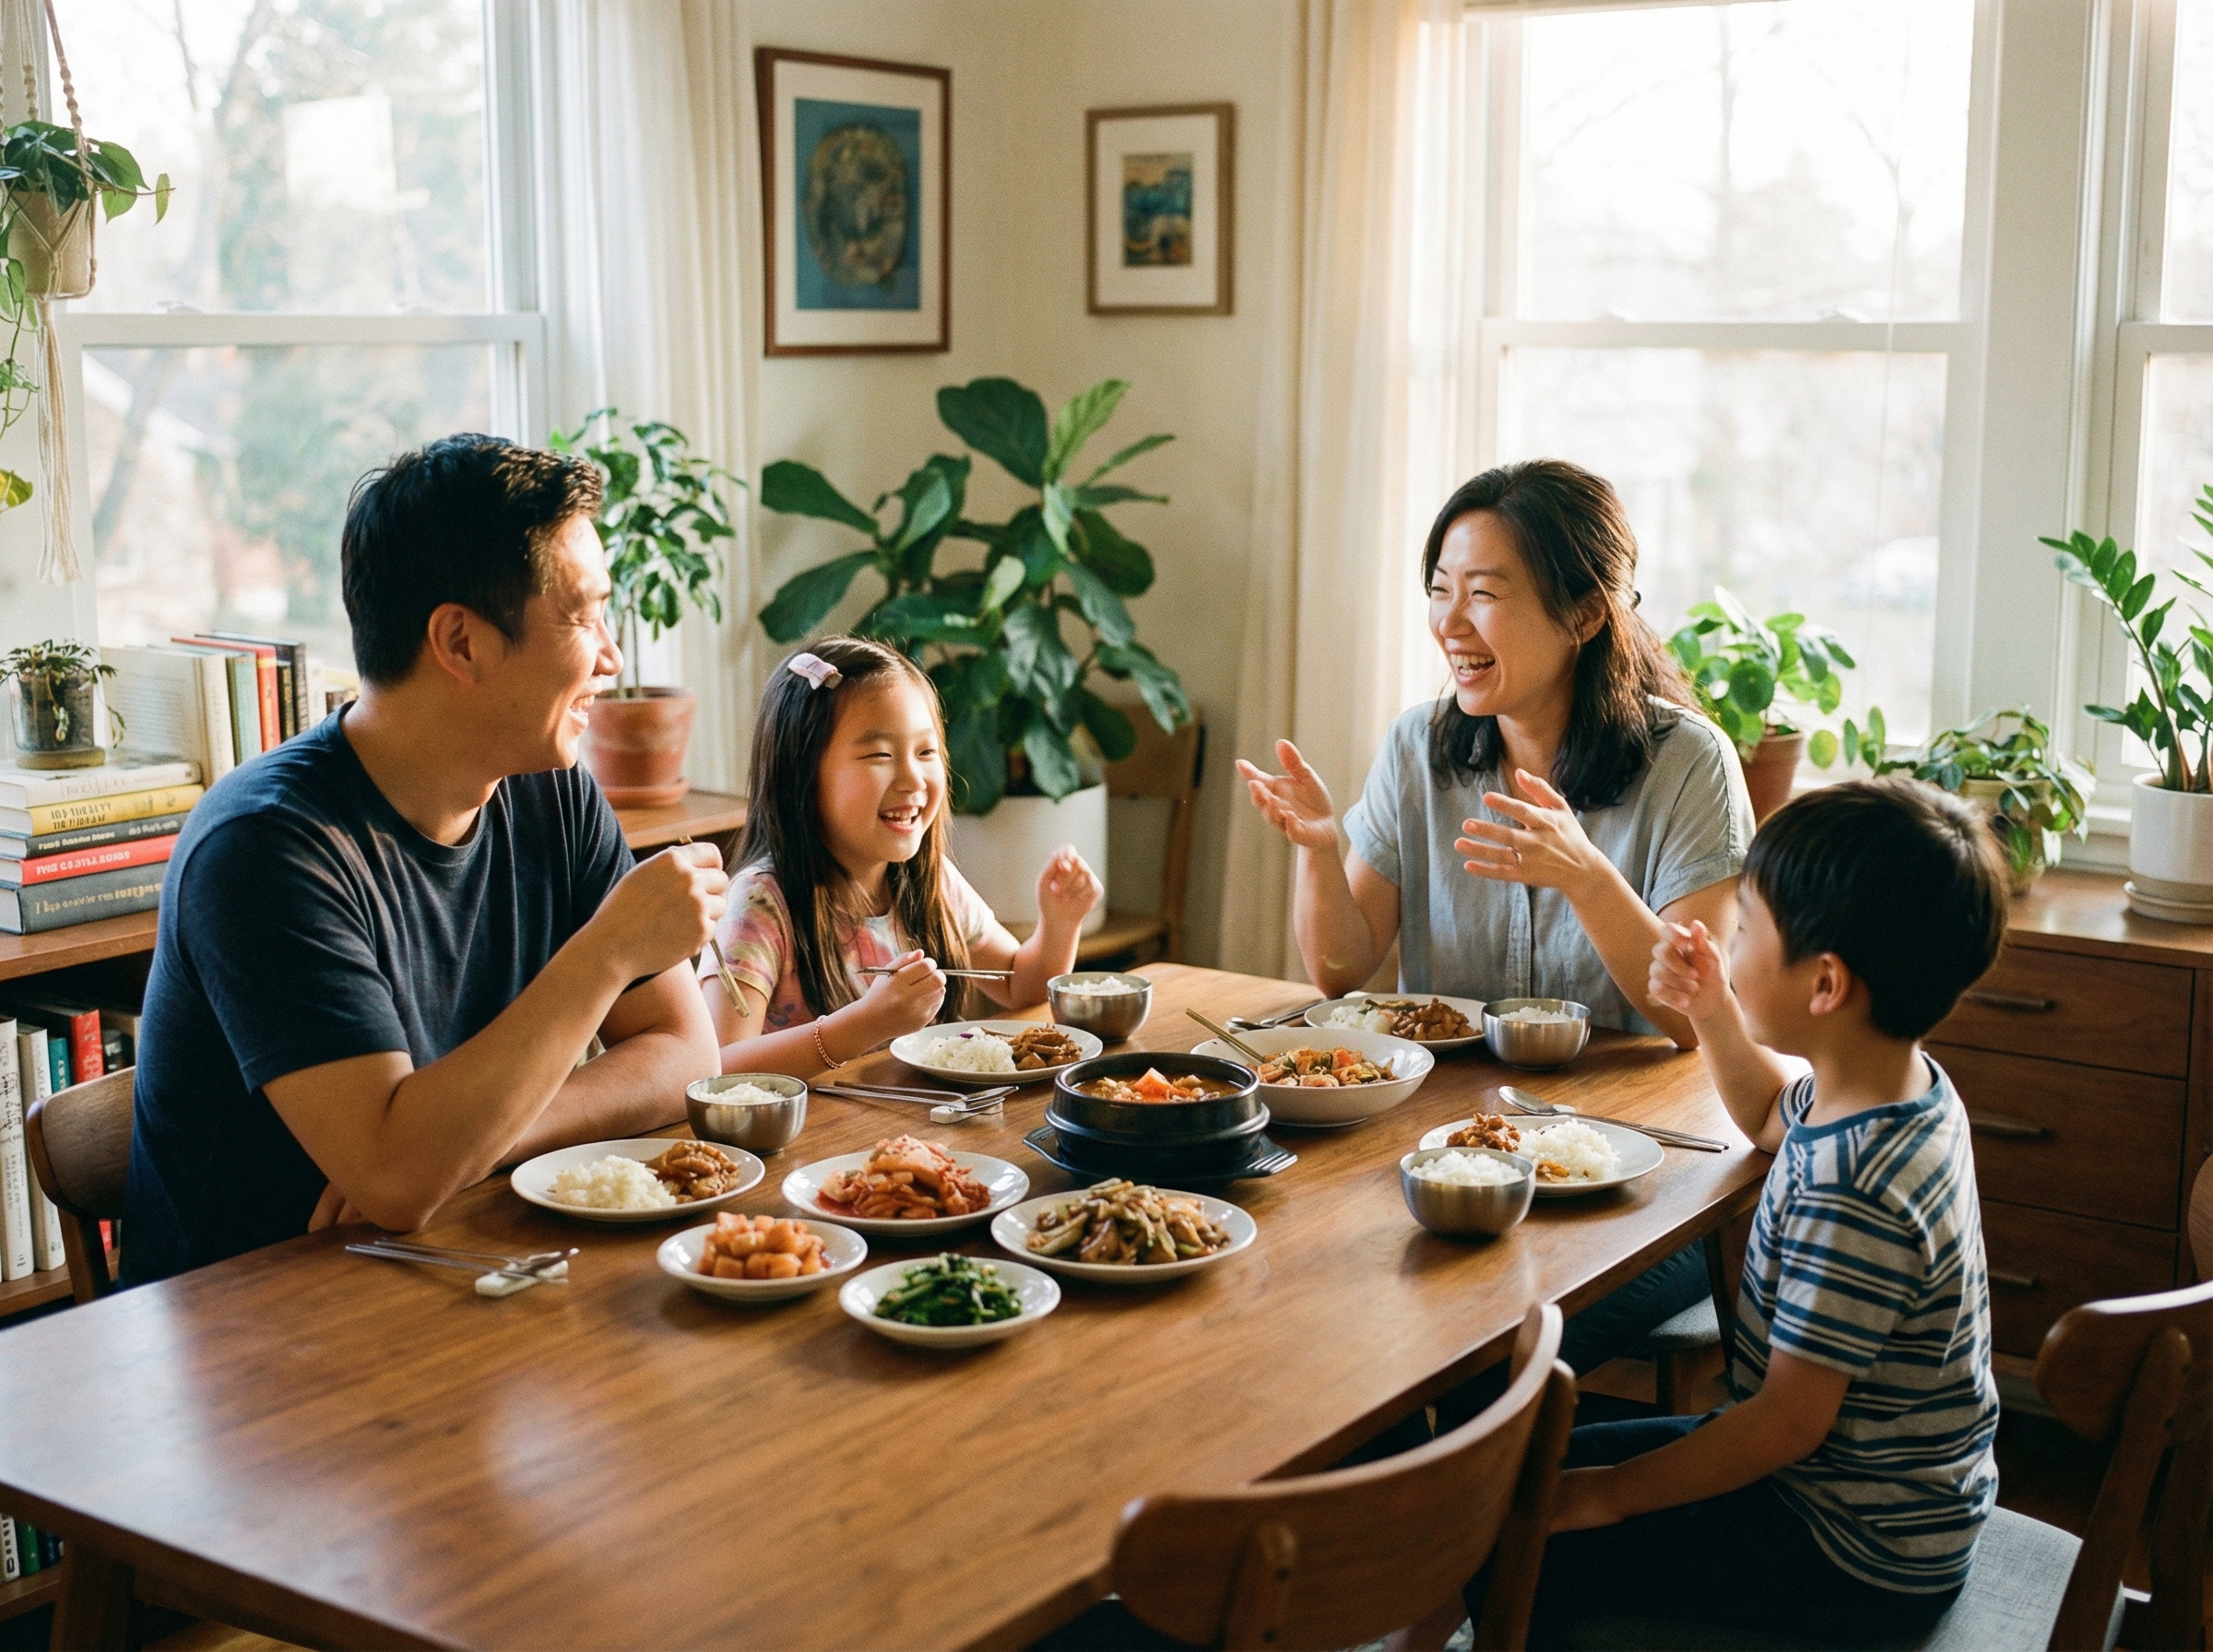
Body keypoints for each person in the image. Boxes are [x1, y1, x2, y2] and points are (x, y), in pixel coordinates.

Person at [124, 434, 727, 1283]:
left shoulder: (548, 786)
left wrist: (482, 1139)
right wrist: (612, 948)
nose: (611, 657)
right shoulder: (265, 849)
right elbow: (402, 1182)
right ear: (462, 643)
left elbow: (683, 1055)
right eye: (584, 616)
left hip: (443, 1268)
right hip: (251, 1329)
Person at [1238, 458, 1754, 1376]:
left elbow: (1688, 1019)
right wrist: (1320, 850)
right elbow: (1338, 971)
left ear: (1587, 613)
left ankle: (1493, 1513)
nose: (1450, 622)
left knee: (1468, 1349)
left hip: (1643, 1184)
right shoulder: (1420, 746)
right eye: (1440, 590)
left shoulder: (1689, 766)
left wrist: (1589, 878)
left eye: (1483, 593)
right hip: (1457, 1158)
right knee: (1301, 1293)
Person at [1467, 776, 2006, 1647]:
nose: (1730, 938)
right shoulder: (1888, 1085)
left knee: (1527, 1544)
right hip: (1861, 1495)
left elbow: (1784, 1426)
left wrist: (1603, 1499)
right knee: (1517, 1476)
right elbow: (1764, 1115)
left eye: (1748, 928)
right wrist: (1715, 1009)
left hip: (1851, 1545)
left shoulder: (1858, 1183)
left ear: (1825, 984)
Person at [700, 636, 1104, 1076]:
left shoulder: (927, 879)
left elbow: (1020, 985)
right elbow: (718, 1070)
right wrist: (864, 1024)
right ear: (801, 772)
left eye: (926, 752)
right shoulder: (760, 904)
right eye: (880, 755)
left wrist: (1060, 923)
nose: (913, 779)